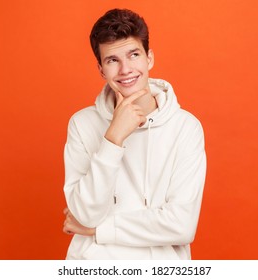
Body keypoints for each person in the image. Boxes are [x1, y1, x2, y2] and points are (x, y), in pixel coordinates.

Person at [62, 8, 206, 259]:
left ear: (149, 58)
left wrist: (98, 230)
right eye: (112, 60)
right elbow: (84, 214)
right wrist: (113, 138)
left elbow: (181, 225)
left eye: (134, 55)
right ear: (101, 69)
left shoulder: (185, 127)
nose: (125, 69)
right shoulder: (82, 124)